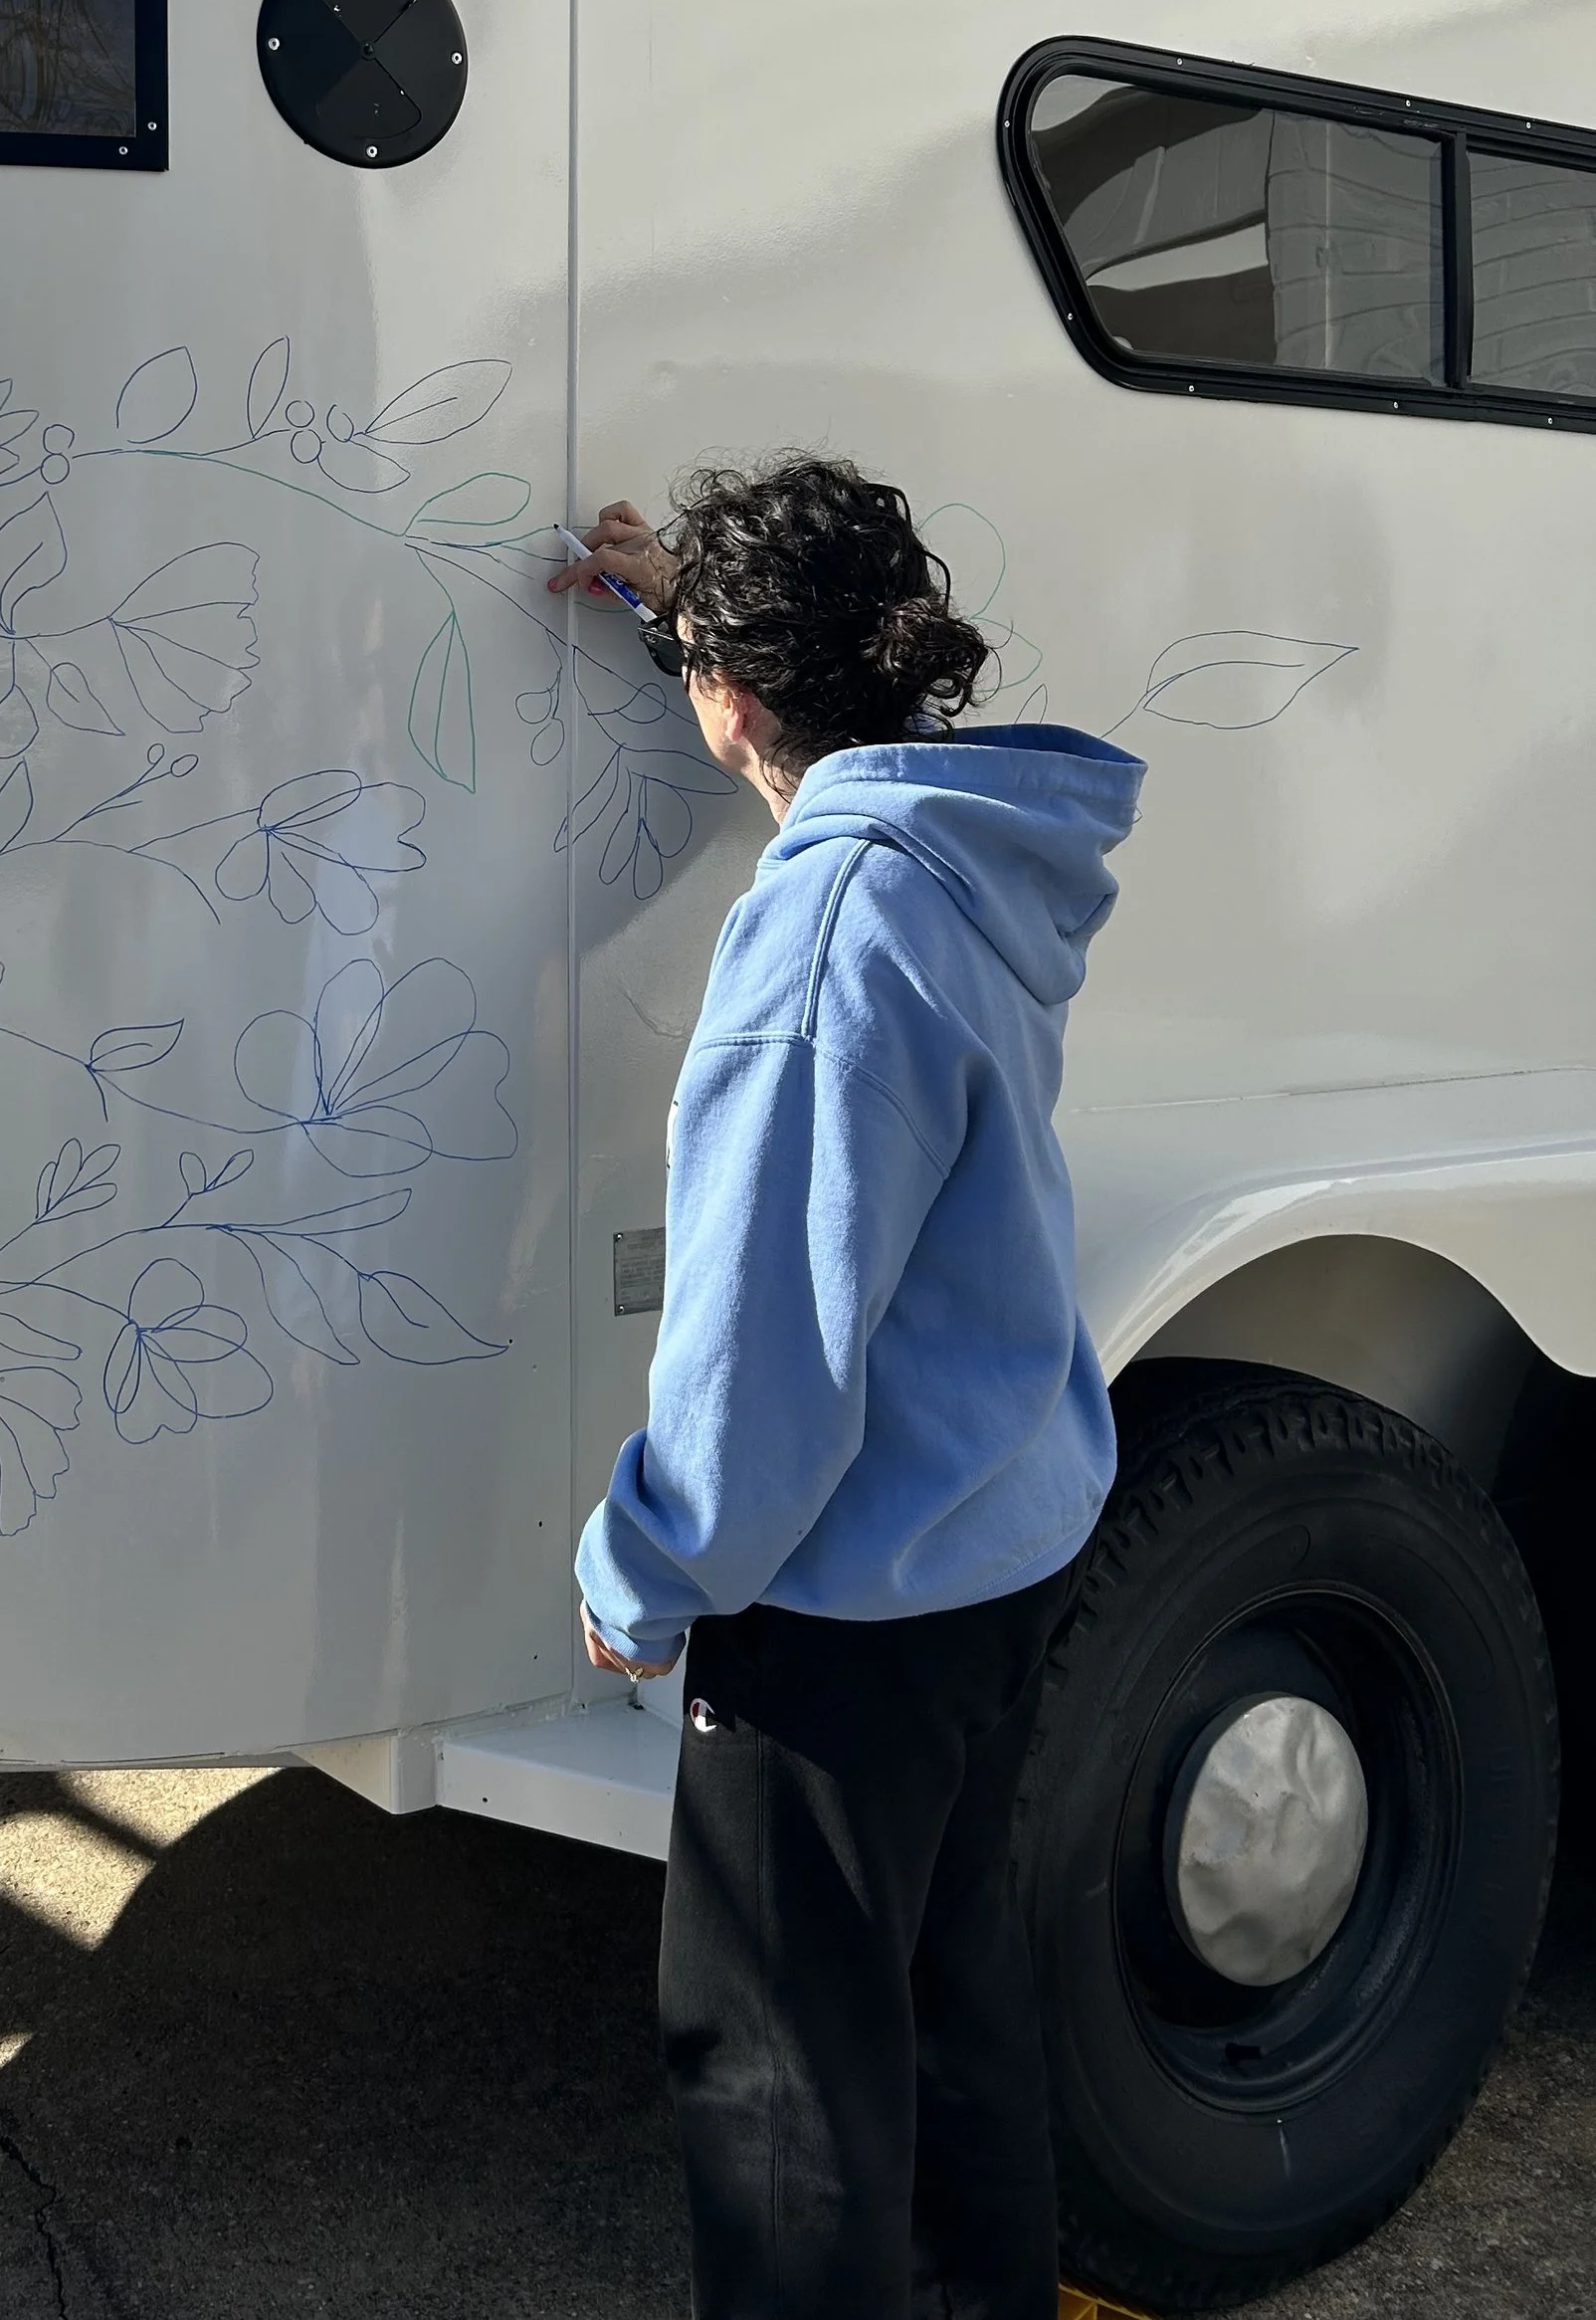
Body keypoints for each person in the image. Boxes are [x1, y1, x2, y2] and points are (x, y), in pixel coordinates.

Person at [551, 456, 1144, 2320]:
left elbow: (764, 1365)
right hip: (996, 1546)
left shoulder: (824, 938)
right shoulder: (961, 843)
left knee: (780, 2085)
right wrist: (679, 614)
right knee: (955, 2018)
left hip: (845, 1615)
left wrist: (644, 1569)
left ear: (738, 702)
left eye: (703, 666)